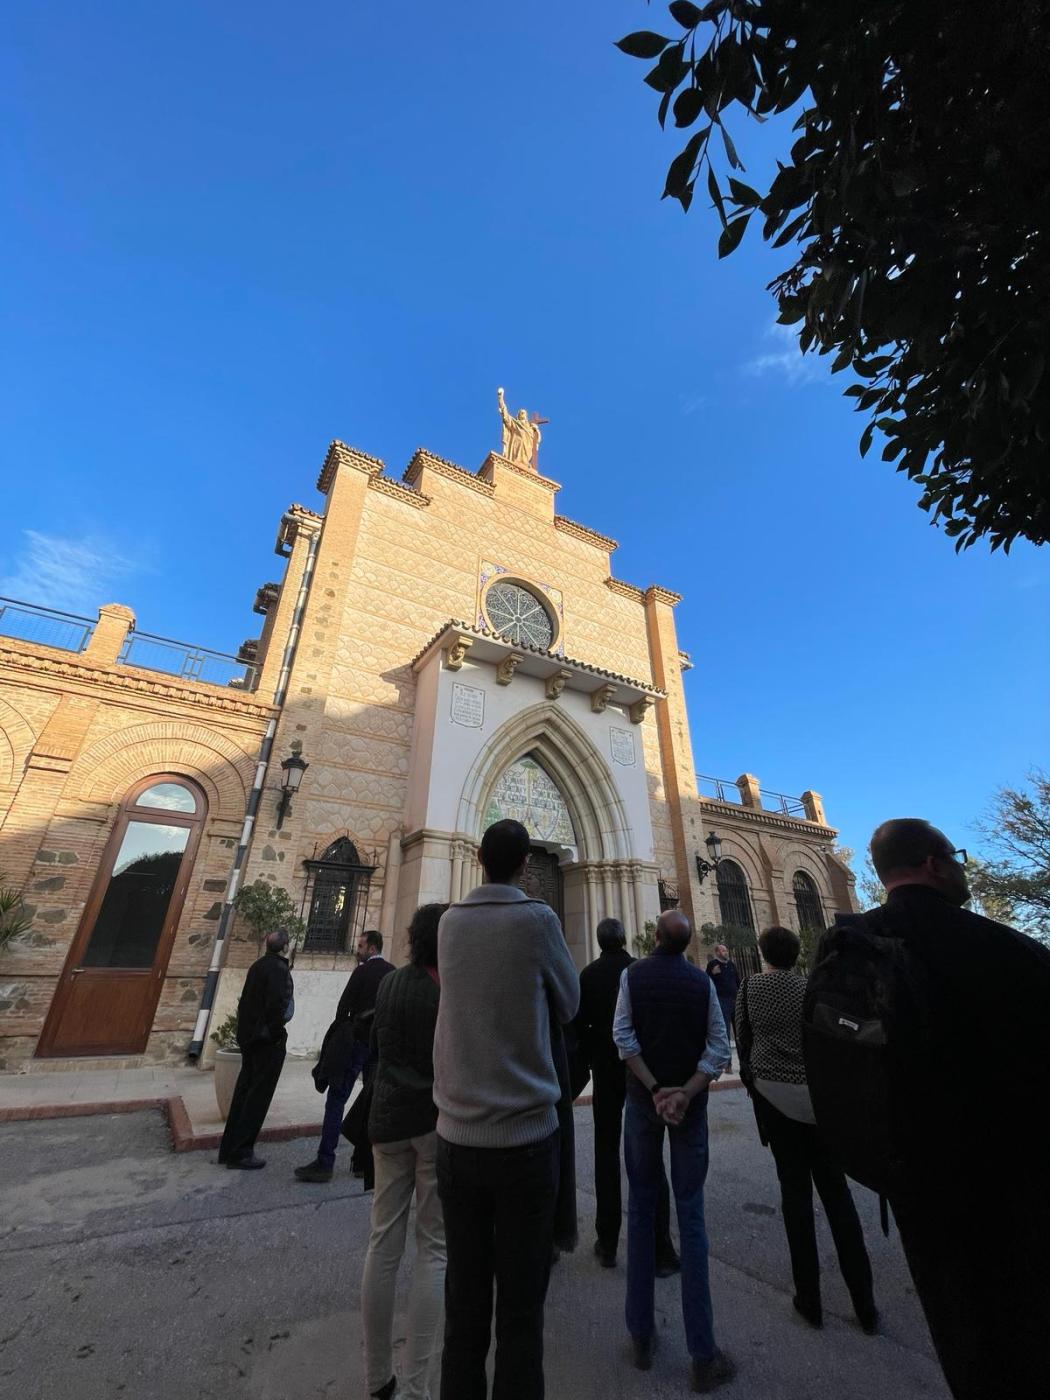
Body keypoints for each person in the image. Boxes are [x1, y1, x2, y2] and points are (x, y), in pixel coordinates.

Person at [837, 818, 1050, 1400]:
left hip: (912, 1175)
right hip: (1011, 1176)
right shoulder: (1007, 948)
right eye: (955, 856)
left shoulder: (850, 948)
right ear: (934, 863)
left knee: (959, 1326)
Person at [433, 818, 579, 1400]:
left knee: (463, 1299)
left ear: (477, 858)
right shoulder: (539, 919)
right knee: (521, 1308)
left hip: (456, 1138)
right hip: (524, 1141)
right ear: (525, 866)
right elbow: (569, 1003)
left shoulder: (447, 922)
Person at [614, 910, 736, 1393]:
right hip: (689, 1108)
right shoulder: (701, 984)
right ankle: (703, 1353)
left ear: (656, 938)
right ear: (686, 945)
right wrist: (684, 1092)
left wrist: (654, 1089)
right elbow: (718, 1049)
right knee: (692, 1218)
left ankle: (641, 1335)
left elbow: (622, 1038)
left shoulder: (631, 976)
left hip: (644, 1103)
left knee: (641, 1210)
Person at [736, 924, 877, 1333]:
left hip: (775, 1100)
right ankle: (865, 1303)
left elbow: (741, 1039)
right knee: (838, 1196)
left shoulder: (750, 989)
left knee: (794, 1196)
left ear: (763, 952)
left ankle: (809, 1300)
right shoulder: (812, 988)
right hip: (819, 1102)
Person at [361, 903, 448, 1400]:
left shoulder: (389, 981)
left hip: (387, 1124)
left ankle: (377, 1379)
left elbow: (376, 1047)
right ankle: (416, 1387)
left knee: (382, 1244)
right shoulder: (449, 991)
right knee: (434, 1250)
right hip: (433, 1126)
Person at [575, 917, 679, 1273]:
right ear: (624, 939)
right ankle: (660, 1247)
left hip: (605, 1074)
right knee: (649, 1157)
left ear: (599, 941)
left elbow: (579, 1027)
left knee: (605, 1155)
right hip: (639, 1075)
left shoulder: (588, 975)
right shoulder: (640, 972)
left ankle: (607, 1242)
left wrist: (587, 1062)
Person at [295, 928, 393, 1184]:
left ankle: (325, 1161)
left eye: (360, 946)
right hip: (377, 1046)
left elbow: (343, 1008)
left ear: (372, 948)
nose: (357, 950)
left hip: (356, 1043)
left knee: (337, 1099)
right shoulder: (393, 972)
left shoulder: (362, 972)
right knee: (370, 1103)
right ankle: (362, 1162)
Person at [218, 928, 294, 1170]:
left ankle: (229, 1148)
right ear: (285, 947)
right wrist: (276, 1034)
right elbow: (276, 1007)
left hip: (249, 1039)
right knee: (257, 1097)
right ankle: (242, 1151)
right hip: (266, 1042)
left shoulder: (257, 966)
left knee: (243, 1092)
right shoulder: (279, 970)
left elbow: (247, 1003)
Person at [705, 943, 740, 1071]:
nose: (726, 952)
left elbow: (738, 981)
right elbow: (707, 982)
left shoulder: (731, 965)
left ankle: (744, 1062)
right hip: (721, 1002)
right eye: (723, 950)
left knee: (739, 1033)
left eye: (726, 950)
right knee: (724, 1032)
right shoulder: (712, 965)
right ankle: (728, 1064)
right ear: (717, 952)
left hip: (735, 1001)